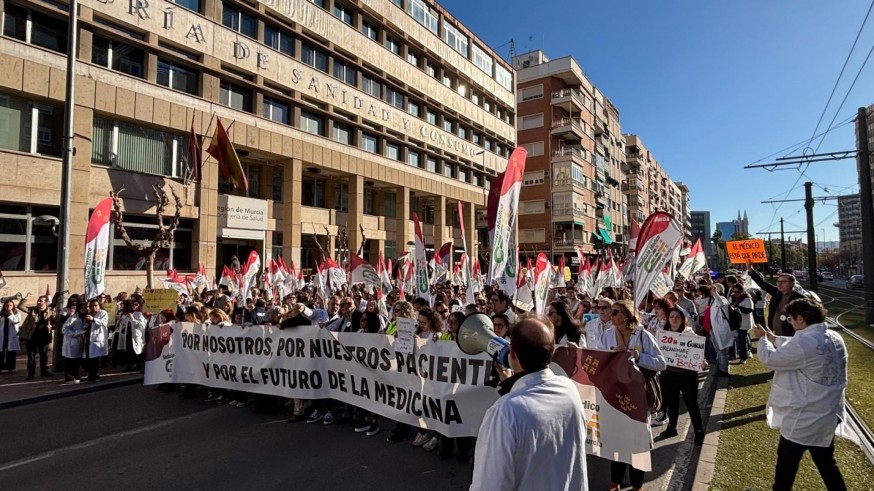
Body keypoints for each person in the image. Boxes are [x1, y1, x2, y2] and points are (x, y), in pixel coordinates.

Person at [470, 316, 588, 491]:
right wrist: (514, 385)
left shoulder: (504, 412)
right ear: (551, 352)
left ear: (513, 354)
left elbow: (489, 485)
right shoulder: (569, 389)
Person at [753, 298, 848, 491]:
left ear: (801, 320)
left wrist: (762, 340)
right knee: (826, 461)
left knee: (786, 464)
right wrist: (774, 338)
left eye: (791, 319)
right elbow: (796, 345)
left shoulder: (804, 344)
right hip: (828, 412)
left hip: (805, 415)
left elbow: (771, 359)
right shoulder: (833, 336)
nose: (790, 322)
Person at [600, 300, 666, 491]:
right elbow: (599, 362)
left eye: (614, 312)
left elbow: (661, 363)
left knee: (637, 441)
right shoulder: (607, 335)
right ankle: (615, 482)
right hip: (615, 395)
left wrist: (637, 357)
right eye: (610, 312)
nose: (610, 315)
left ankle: (637, 485)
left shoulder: (643, 335)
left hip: (638, 396)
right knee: (617, 439)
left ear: (627, 316)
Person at [659, 307, 705, 445]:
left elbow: (698, 352)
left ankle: (698, 430)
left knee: (691, 403)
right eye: (671, 316)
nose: (674, 319)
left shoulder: (689, 334)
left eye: (677, 317)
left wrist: (702, 360)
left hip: (687, 375)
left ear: (683, 320)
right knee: (672, 402)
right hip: (669, 374)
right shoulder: (663, 335)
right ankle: (672, 427)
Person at [748, 265, 805, 337]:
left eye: (784, 282)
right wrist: (751, 270)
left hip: (791, 335)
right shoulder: (776, 293)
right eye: (778, 282)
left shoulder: (800, 298)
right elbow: (763, 284)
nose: (780, 284)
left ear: (792, 284)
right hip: (775, 334)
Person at [20, 294, 55, 379]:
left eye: (41, 301)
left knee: (43, 355)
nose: (38, 302)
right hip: (32, 336)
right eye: (38, 301)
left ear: (46, 302)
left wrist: (52, 326)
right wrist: (25, 298)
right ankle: (31, 373)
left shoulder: (52, 312)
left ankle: (44, 371)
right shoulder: (33, 310)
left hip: (44, 336)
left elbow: (56, 323)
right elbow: (20, 306)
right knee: (31, 355)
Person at [81, 299, 109, 382]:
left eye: (96, 305)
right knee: (89, 357)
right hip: (89, 338)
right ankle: (90, 375)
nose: (94, 307)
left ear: (99, 306)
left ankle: (95, 375)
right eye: (92, 306)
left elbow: (103, 323)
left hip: (97, 338)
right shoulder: (90, 314)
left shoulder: (103, 313)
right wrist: (86, 324)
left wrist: (93, 319)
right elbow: (86, 325)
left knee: (95, 358)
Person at [0, 298, 24, 371]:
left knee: (11, 351)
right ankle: (0, 366)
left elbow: (15, 321)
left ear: (13, 306)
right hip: (2, 334)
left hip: (12, 334)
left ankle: (10, 366)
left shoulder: (17, 313)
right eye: (7, 305)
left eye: (10, 305)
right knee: (1, 351)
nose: (8, 307)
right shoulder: (1, 314)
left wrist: (11, 314)